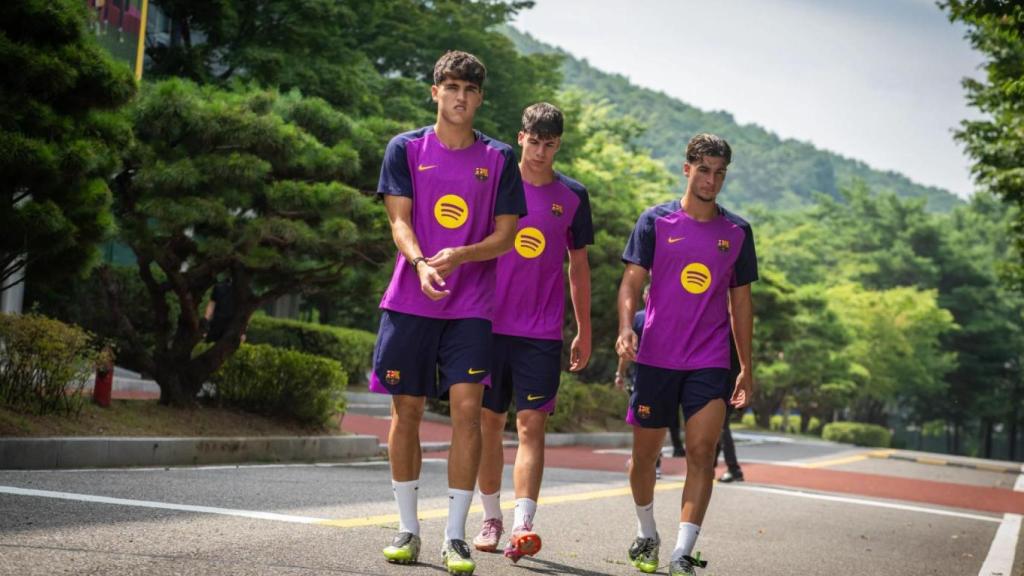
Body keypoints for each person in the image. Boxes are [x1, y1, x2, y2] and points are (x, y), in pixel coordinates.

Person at [371, 50, 526, 576]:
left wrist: (459, 255)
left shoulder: (501, 158)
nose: (461, 97)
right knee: (406, 413)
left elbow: (506, 237)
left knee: (467, 412)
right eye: (452, 87)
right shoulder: (406, 149)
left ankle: (455, 536)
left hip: (472, 308)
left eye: (471, 90)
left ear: (480, 98)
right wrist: (418, 263)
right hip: (410, 300)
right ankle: (407, 528)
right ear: (435, 91)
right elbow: (399, 221)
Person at [616, 133, 757, 576]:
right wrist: (625, 328)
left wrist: (746, 367)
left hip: (710, 358)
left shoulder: (736, 232)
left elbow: (741, 303)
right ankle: (646, 532)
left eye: (719, 173)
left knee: (701, 450)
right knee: (644, 457)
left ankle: (681, 552)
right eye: (703, 170)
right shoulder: (655, 221)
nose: (711, 180)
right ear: (687, 169)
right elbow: (631, 283)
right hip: (657, 357)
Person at [471, 103, 593, 563]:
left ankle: (522, 523)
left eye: (550, 144)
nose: (541, 152)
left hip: (541, 332)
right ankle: (490, 517)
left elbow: (578, 267)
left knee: (531, 426)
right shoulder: (496, 183)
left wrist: (583, 329)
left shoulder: (574, 196)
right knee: (487, 424)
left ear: (558, 144)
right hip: (485, 322)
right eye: (534, 141)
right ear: (520, 137)